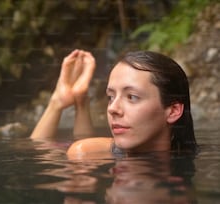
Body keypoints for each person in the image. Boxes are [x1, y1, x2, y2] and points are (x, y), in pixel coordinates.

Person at [30, 49, 198, 157]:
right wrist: (56, 103)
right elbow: (38, 151)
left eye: (131, 97)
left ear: (173, 110)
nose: (112, 109)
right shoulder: (83, 152)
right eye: (111, 97)